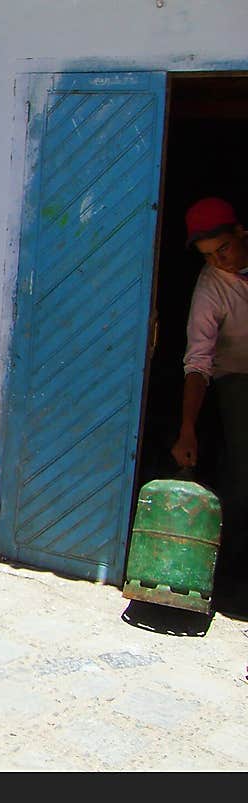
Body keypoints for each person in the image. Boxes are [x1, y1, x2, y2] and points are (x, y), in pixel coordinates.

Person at [171, 197, 248, 580]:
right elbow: (198, 362)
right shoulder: (210, 289)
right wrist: (188, 428)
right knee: (241, 473)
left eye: (224, 248)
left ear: (241, 232)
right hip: (237, 377)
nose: (220, 261)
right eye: (208, 256)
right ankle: (233, 574)